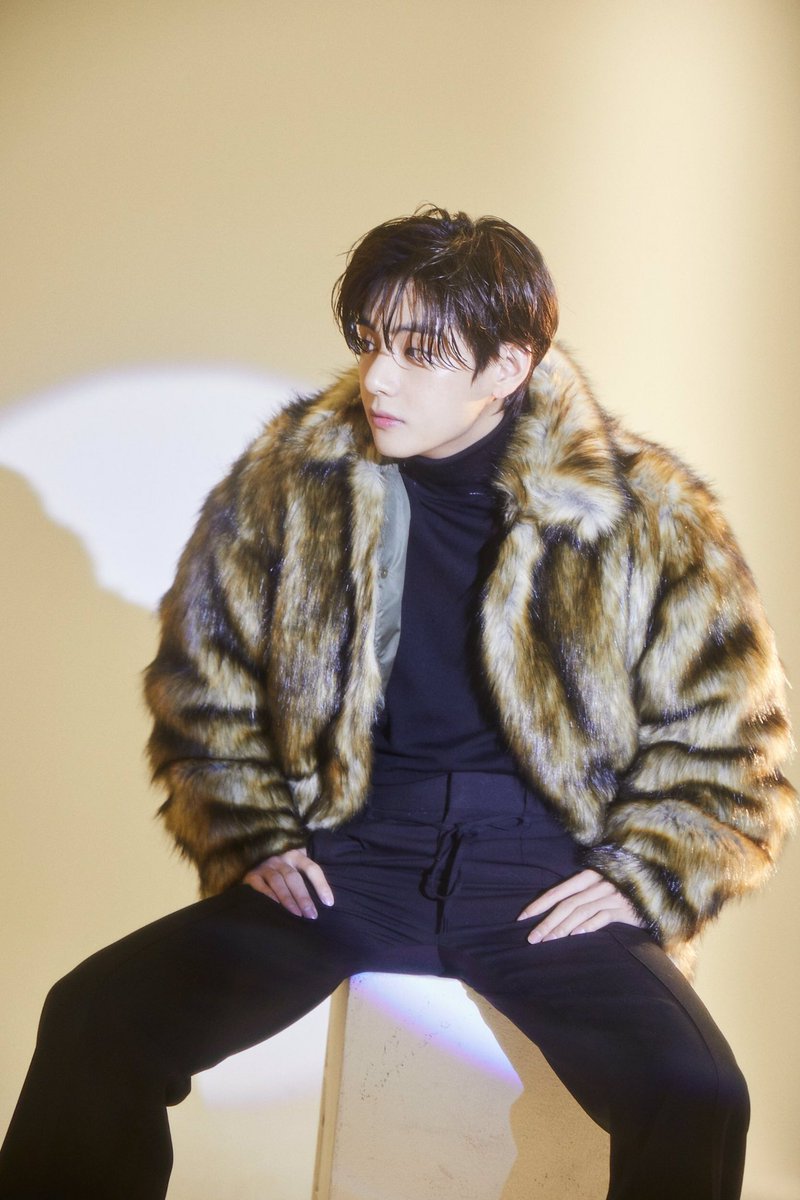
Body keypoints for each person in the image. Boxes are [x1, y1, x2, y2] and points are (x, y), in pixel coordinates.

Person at [0, 205, 796, 1200]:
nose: (379, 376)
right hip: (350, 864)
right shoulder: (292, 482)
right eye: (370, 340)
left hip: (535, 880)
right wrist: (252, 829)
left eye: (419, 351)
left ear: (507, 366)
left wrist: (648, 871)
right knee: (93, 1017)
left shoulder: (643, 511)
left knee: (697, 1094)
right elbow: (206, 680)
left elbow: (732, 735)